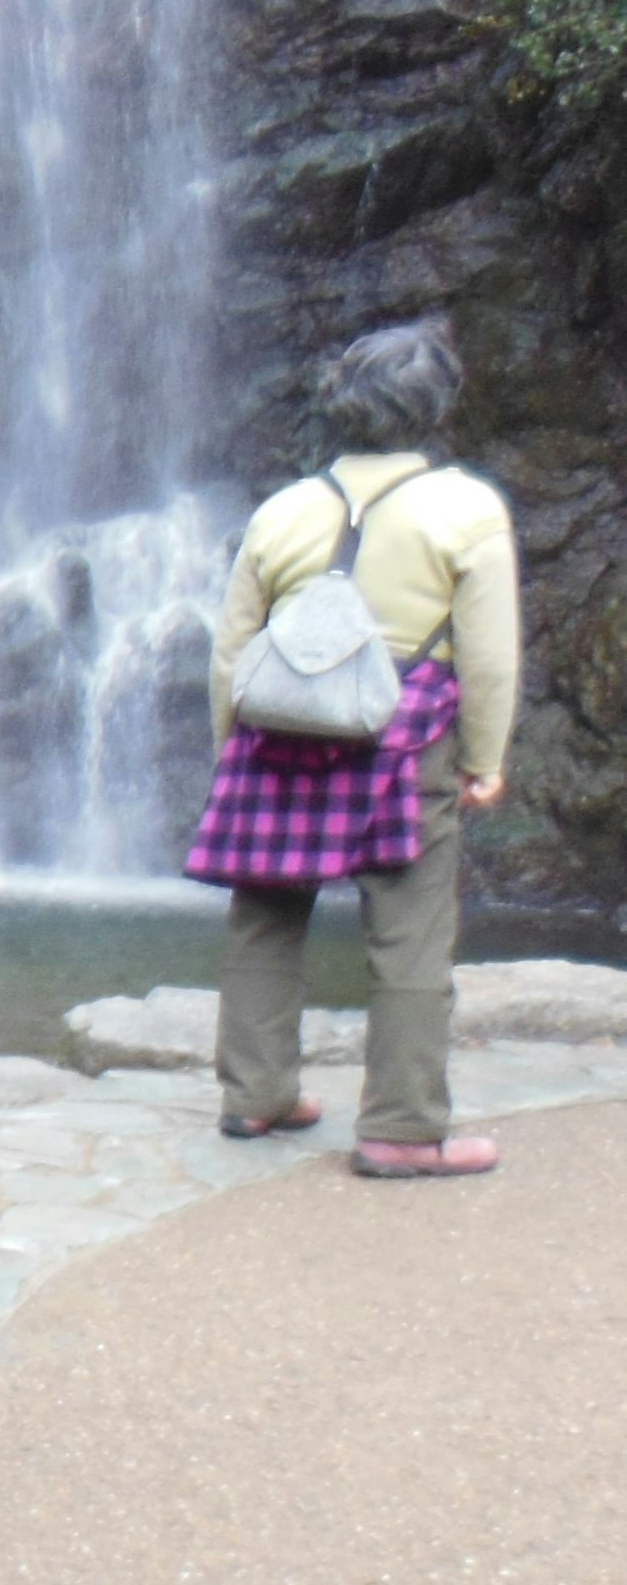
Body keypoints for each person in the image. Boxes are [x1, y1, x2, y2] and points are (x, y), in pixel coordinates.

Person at [185, 317, 520, 1179]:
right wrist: (485, 758)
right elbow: (487, 655)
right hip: (406, 738)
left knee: (265, 914)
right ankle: (403, 1127)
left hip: (279, 733)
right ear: (436, 405)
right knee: (410, 930)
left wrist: (232, 746)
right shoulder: (467, 509)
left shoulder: (283, 510)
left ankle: (255, 1095)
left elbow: (234, 649)